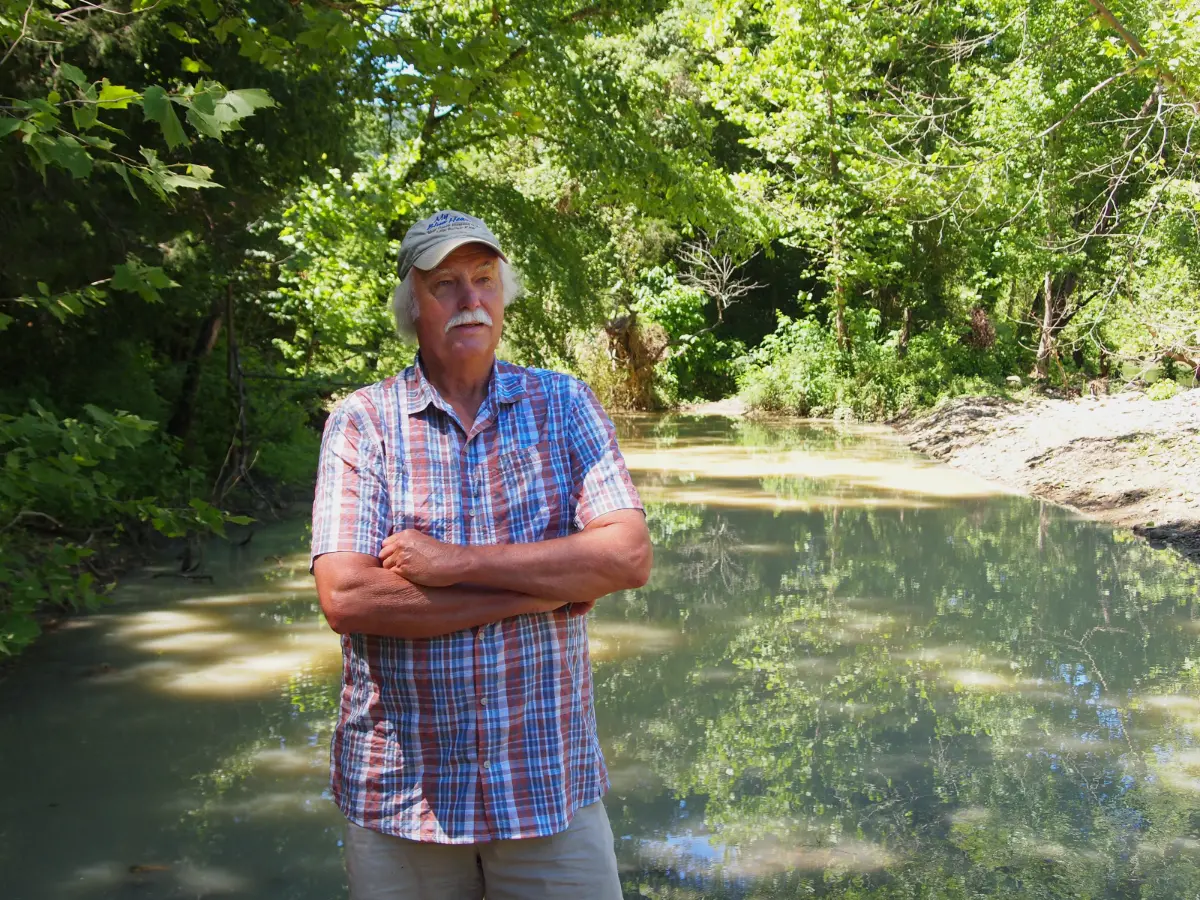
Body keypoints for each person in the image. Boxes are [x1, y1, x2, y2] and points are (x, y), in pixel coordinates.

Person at [310, 209, 652, 899]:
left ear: (503, 294)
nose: (470, 300)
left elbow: (626, 557)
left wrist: (456, 563)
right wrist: (545, 588)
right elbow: (349, 598)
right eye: (446, 285)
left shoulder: (565, 404)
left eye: (485, 280)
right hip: (403, 800)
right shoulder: (363, 422)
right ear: (413, 304)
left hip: (549, 790)